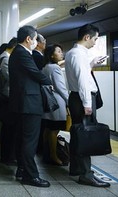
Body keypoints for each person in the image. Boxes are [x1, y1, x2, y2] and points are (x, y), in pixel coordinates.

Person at [65, 24, 110, 187]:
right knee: (86, 135)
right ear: (87, 37)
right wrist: (86, 103)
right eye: (95, 39)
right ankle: (86, 174)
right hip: (82, 98)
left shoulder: (72, 53)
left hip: (76, 96)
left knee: (78, 134)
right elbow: (83, 80)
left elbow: (80, 74)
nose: (95, 42)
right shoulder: (78, 54)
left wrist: (91, 64)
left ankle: (77, 169)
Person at [9, 25, 51, 187]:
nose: (35, 42)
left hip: (22, 102)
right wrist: (49, 81)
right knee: (29, 141)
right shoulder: (22, 54)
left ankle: (22, 169)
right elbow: (36, 73)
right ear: (28, 39)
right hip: (29, 103)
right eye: (34, 39)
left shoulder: (17, 53)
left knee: (22, 138)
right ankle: (31, 175)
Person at [42, 44, 69, 166]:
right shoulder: (55, 68)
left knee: (48, 129)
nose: (61, 53)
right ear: (52, 55)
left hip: (49, 102)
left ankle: (46, 153)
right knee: (54, 130)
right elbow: (61, 88)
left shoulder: (46, 67)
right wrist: (69, 101)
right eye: (58, 51)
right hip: (57, 102)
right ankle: (54, 156)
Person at [0, 37, 18, 164]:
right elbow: (12, 79)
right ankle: (7, 156)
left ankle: (7, 155)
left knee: (7, 128)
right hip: (6, 97)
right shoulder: (6, 59)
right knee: (8, 128)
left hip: (4, 97)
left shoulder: (1, 57)